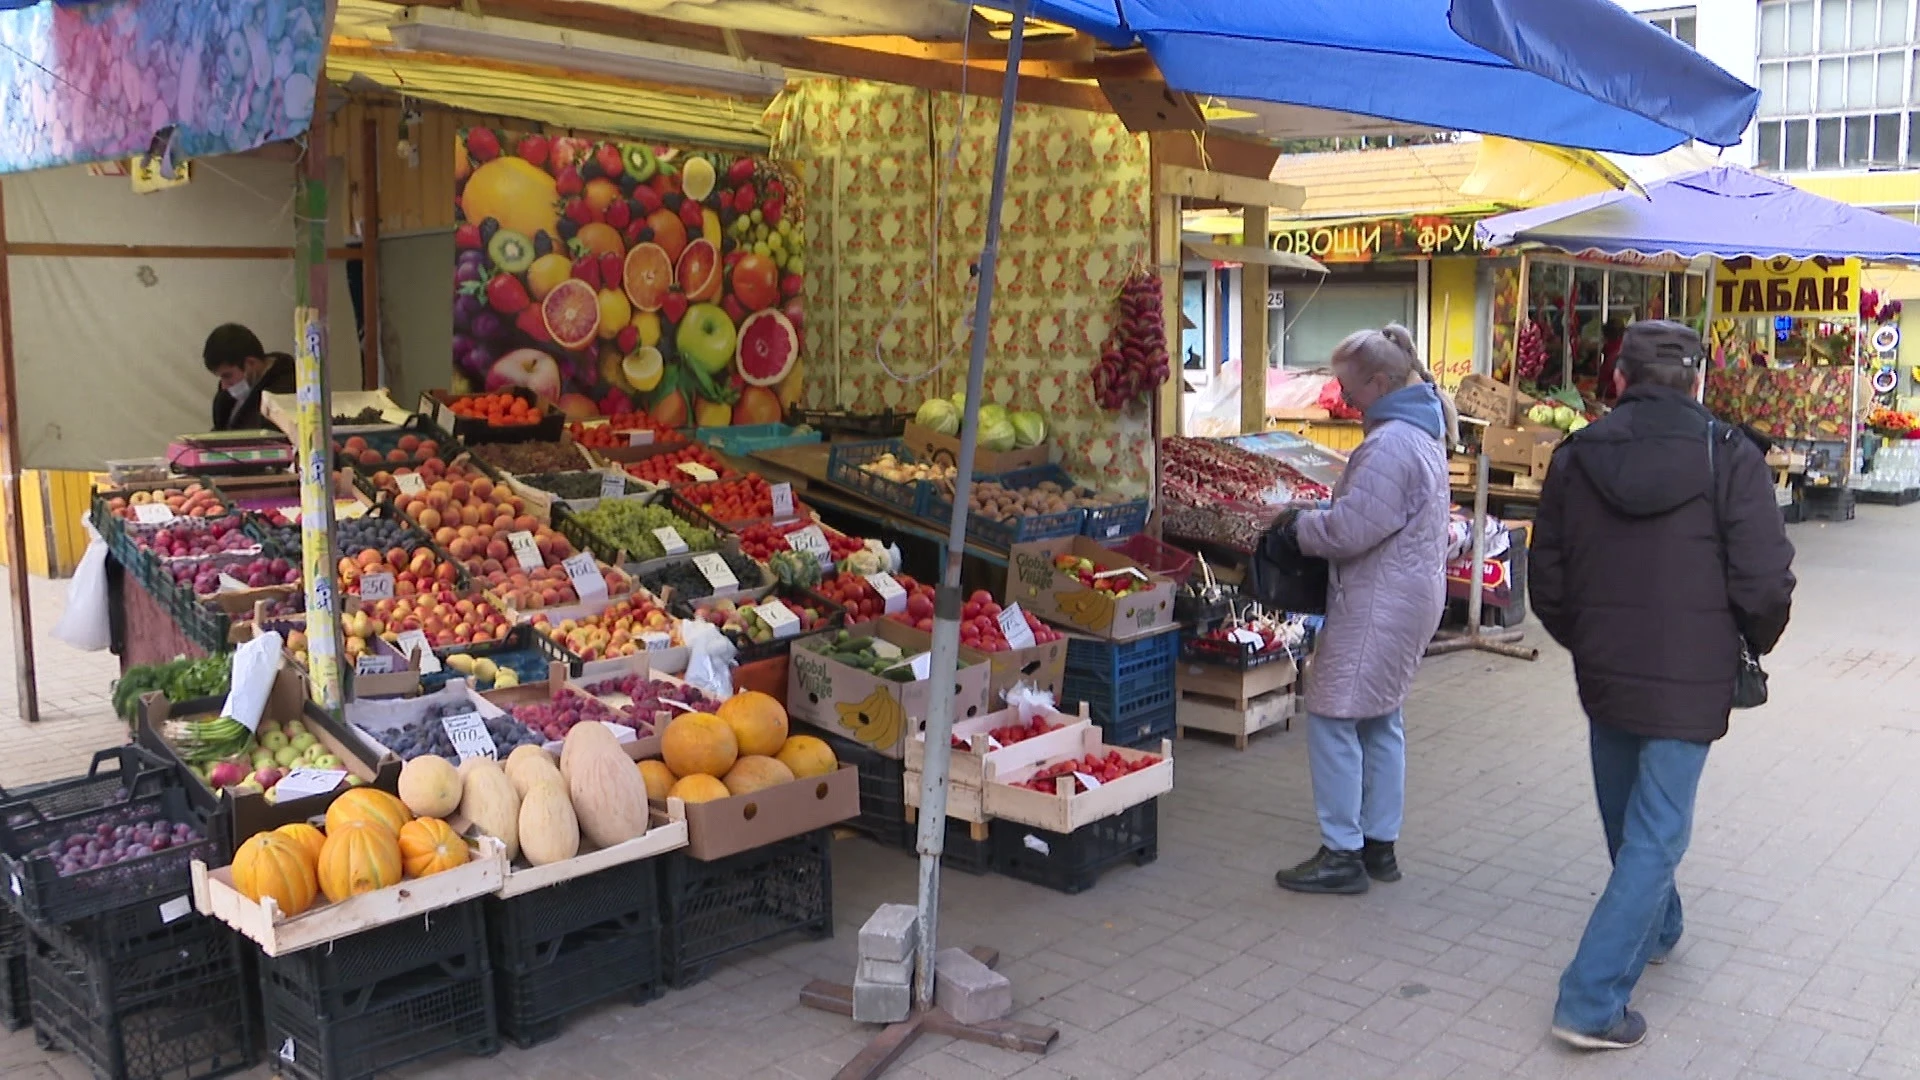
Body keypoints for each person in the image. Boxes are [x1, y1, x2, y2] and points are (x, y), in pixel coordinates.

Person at [1529, 320, 1795, 1051]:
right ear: (1698, 382)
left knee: (1630, 821)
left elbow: (1544, 579)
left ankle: (1661, 925)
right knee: (1653, 834)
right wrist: (1749, 644)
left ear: (1618, 379)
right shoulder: (1729, 455)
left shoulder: (1575, 456)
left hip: (1605, 671)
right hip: (1691, 677)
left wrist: (1585, 640)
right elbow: (1766, 579)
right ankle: (1589, 1002)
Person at [1272, 324, 1451, 895]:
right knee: (1380, 719)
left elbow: (1351, 530)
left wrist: (1297, 528)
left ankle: (1341, 852)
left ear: (1379, 381)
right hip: (1407, 594)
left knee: (1331, 717)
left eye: (1350, 390)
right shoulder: (1422, 430)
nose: (1344, 400)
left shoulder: (1392, 443)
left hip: (1380, 599)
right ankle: (1379, 846)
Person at [203, 323, 295, 432]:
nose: (224, 386)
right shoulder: (226, 399)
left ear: (251, 363)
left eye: (227, 375)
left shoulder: (286, 394)